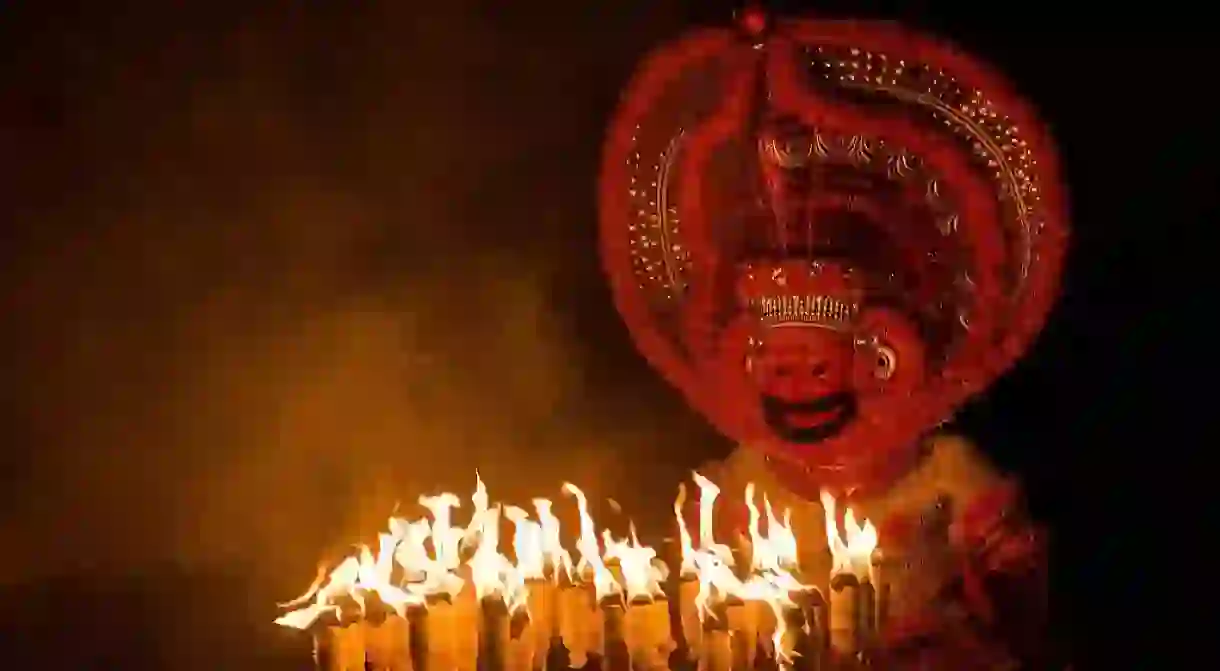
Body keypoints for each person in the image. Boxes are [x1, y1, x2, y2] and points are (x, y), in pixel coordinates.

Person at [597, 9, 1069, 669]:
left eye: (814, 370)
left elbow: (1019, 608)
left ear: (875, 359)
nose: (794, 389)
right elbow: (680, 607)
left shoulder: (950, 483)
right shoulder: (734, 490)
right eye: (779, 371)